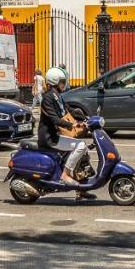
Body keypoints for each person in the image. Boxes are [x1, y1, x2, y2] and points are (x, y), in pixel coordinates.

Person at [37, 67, 94, 200]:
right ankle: (65, 174)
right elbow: (54, 119)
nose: (64, 84)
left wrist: (86, 118)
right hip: (50, 138)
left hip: (58, 135)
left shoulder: (58, 97)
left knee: (83, 152)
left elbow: (70, 110)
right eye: (62, 82)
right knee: (80, 146)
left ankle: (81, 189)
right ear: (55, 82)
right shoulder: (47, 99)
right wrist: (72, 124)